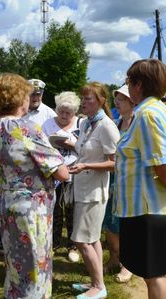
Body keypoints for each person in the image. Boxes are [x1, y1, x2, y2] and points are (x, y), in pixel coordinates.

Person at [116, 59, 166, 299]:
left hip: (144, 209)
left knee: (154, 275)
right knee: (161, 271)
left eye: (128, 82)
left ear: (138, 84)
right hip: (154, 208)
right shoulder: (164, 113)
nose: (127, 86)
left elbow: (165, 167)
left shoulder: (147, 115)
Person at [0, 73, 69, 299]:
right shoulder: (26, 128)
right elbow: (61, 172)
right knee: (35, 269)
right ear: (18, 97)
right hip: (32, 210)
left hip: (7, 205)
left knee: (15, 268)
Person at [68, 82, 120, 299]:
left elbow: (115, 163)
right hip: (83, 187)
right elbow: (86, 150)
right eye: (83, 98)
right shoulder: (88, 123)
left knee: (81, 240)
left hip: (94, 192)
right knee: (93, 239)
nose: (83, 102)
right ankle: (95, 282)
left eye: (88, 99)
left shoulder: (107, 126)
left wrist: (86, 166)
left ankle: (99, 287)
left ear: (100, 101)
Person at [41, 91, 82, 263]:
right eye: (61, 111)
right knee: (54, 209)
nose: (64, 115)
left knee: (72, 210)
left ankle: (73, 246)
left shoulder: (81, 124)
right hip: (54, 172)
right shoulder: (48, 124)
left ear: (74, 112)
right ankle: (54, 243)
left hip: (75, 171)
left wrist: (70, 145)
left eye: (68, 112)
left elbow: (86, 149)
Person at [102, 85, 134, 283]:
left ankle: (128, 265)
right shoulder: (116, 123)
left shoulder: (139, 124)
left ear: (132, 102)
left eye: (121, 99)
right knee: (110, 222)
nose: (116, 103)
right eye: (117, 99)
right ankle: (114, 258)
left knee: (127, 225)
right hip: (112, 180)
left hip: (130, 183)